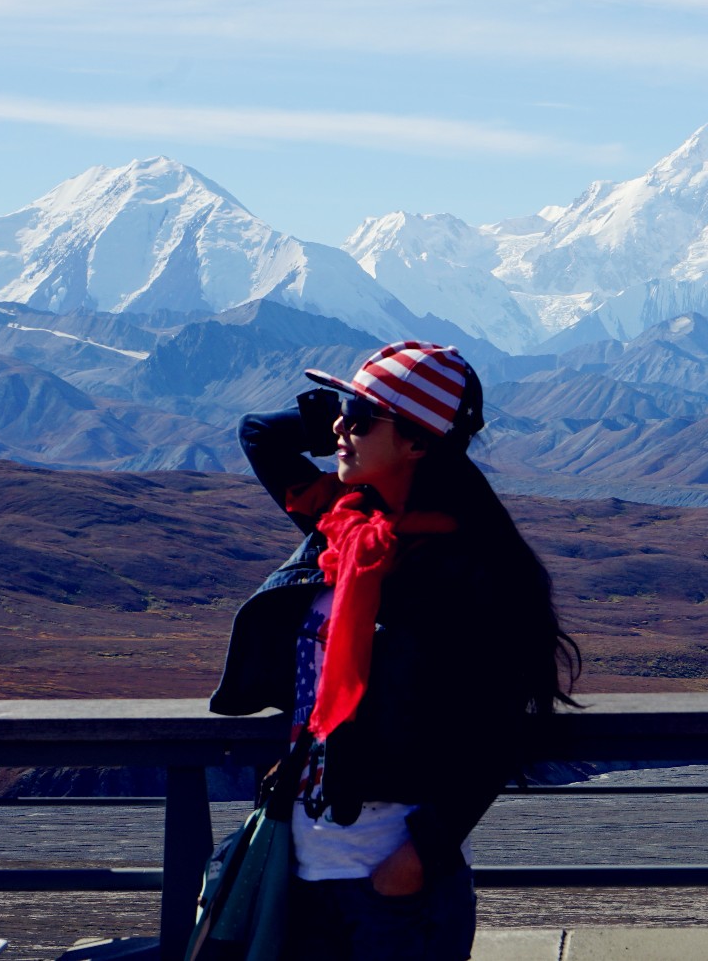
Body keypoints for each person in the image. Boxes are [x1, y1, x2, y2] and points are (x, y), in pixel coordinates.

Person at [209, 340, 578, 961]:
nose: (338, 431)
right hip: (303, 859)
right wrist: (346, 408)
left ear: (417, 444)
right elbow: (258, 436)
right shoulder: (344, 527)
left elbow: (498, 727)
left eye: (359, 419)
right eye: (342, 414)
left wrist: (420, 855)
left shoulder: (467, 571)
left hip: (394, 882)